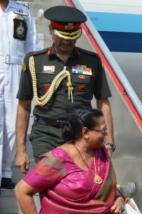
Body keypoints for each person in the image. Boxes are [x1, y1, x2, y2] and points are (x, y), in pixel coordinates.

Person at [15, 5, 115, 173]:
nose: (66, 43)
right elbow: (23, 106)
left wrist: (109, 140)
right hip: (46, 134)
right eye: (61, 37)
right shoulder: (35, 62)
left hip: (81, 135)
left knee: (79, 185)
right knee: (51, 184)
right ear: (51, 30)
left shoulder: (92, 61)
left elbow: (103, 102)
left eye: (71, 39)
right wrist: (21, 150)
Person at [0, 0, 38, 188]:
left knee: (13, 124)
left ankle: (5, 172)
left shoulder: (22, 10)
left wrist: (32, 70)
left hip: (16, 66)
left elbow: (31, 43)